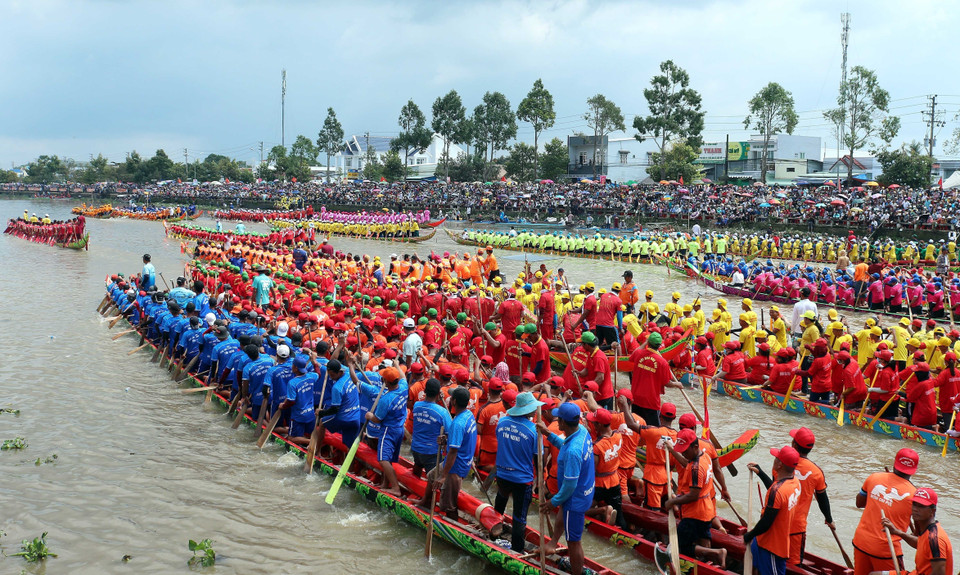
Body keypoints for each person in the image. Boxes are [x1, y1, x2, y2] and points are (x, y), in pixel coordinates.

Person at [537, 402, 594, 575]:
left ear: (562, 422)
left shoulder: (573, 452)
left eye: (558, 418)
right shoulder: (582, 431)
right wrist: (548, 434)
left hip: (575, 497)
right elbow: (565, 444)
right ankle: (553, 542)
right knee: (563, 509)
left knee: (574, 542)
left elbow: (569, 485)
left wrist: (552, 502)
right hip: (584, 490)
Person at [664, 428, 727, 567]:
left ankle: (717, 553)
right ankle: (711, 565)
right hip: (707, 510)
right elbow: (687, 463)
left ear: (695, 447)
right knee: (704, 539)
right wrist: (672, 450)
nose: (683, 453)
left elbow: (693, 495)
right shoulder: (704, 456)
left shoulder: (695, 469)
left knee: (680, 546)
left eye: (685, 451)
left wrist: (672, 501)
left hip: (695, 513)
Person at [852, 448, 919, 575]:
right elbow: (918, 536)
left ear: (895, 463)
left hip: (861, 542)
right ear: (914, 470)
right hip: (886, 550)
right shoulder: (915, 495)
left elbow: (859, 503)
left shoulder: (874, 478)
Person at [493, 391, 543, 552]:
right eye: (532, 408)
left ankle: (493, 532)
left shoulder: (502, 422)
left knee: (499, 503)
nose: (535, 410)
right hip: (522, 479)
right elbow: (538, 460)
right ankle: (517, 550)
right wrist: (539, 480)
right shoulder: (534, 431)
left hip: (502, 474)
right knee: (519, 517)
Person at [744, 446, 802, 575]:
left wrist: (749, 535)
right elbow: (777, 494)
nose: (774, 460)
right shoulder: (796, 483)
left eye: (776, 458)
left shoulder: (777, 491)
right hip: (762, 541)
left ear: (780, 464)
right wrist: (761, 472)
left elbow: (766, 522)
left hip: (772, 547)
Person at [425, 387, 476, 521]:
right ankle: (425, 502)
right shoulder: (468, 415)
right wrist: (447, 439)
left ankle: (453, 524)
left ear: (453, 401)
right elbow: (462, 439)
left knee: (449, 504)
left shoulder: (458, 424)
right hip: (463, 460)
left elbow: (453, 452)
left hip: (456, 466)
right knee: (431, 476)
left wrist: (443, 476)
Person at [875, 487, 952, 575]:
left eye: (921, 506)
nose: (915, 509)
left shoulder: (934, 538)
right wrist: (897, 532)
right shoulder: (928, 530)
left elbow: (939, 573)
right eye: (914, 504)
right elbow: (921, 544)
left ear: (932, 511)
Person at [628, 332, 683, 425]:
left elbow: (632, 355)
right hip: (651, 402)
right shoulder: (663, 362)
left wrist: (645, 343)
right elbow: (667, 383)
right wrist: (677, 384)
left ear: (648, 343)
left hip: (636, 398)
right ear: (659, 346)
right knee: (652, 429)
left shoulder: (638, 353)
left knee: (636, 427)